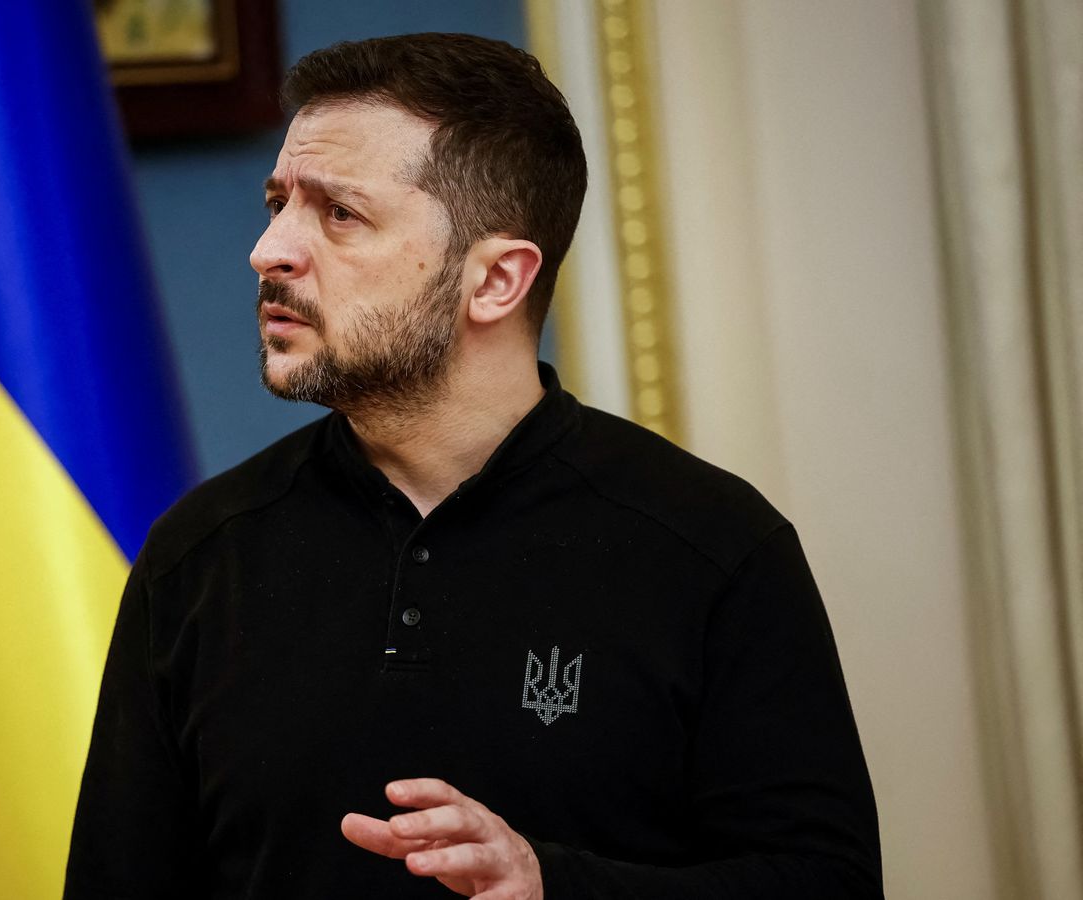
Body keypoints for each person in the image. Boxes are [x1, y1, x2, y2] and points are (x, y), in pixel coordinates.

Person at [64, 33, 882, 899]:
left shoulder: (714, 547)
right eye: (278, 204)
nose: (269, 251)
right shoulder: (198, 557)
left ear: (496, 281)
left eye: (339, 213)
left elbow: (826, 883)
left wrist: (550, 886)